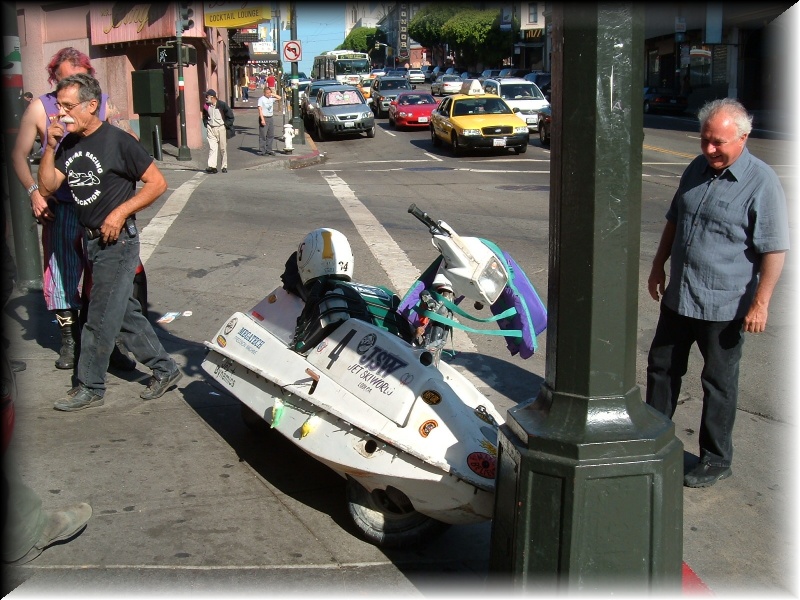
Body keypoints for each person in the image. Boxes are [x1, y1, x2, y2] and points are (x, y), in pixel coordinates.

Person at [645, 98, 789, 488]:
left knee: (719, 382)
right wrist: (658, 265)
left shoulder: (761, 183)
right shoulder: (696, 168)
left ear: (743, 137)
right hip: (681, 296)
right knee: (662, 369)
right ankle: (653, 438)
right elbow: (674, 221)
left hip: (725, 304)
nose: (709, 149)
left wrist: (761, 303)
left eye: (718, 143)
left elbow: (774, 248)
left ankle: (715, 457)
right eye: (705, 140)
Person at [37, 73, 183, 411]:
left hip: (118, 241)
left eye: (69, 106)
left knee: (99, 316)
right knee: (124, 313)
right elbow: (46, 187)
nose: (62, 113)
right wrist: (49, 145)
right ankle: (166, 368)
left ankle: (90, 384)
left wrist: (120, 213)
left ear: (92, 105)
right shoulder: (68, 143)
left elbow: (156, 183)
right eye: (59, 106)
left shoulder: (118, 141)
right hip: (90, 242)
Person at [10, 47, 137, 372]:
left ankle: (110, 345)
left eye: (79, 76)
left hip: (100, 204)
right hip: (63, 206)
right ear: (56, 77)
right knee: (64, 275)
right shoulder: (40, 107)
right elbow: (19, 154)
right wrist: (34, 192)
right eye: (66, 77)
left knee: (107, 279)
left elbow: (123, 140)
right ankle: (71, 339)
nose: (72, 83)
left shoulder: (100, 102)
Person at [201, 89, 234, 174]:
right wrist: (206, 124)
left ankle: (224, 166)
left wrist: (225, 125)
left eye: (207, 96)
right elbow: (204, 116)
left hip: (221, 128)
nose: (205, 98)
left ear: (212, 97)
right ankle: (212, 167)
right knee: (212, 148)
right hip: (211, 128)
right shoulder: (206, 106)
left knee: (223, 148)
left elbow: (230, 116)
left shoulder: (222, 105)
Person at [257, 86, 279, 156]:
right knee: (263, 135)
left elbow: (279, 98)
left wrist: (272, 94)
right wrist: (262, 119)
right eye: (267, 93)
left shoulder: (271, 99)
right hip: (264, 117)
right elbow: (260, 109)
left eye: (269, 93)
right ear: (264, 93)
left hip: (270, 117)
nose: (268, 94)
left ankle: (269, 149)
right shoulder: (261, 99)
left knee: (270, 135)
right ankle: (262, 150)